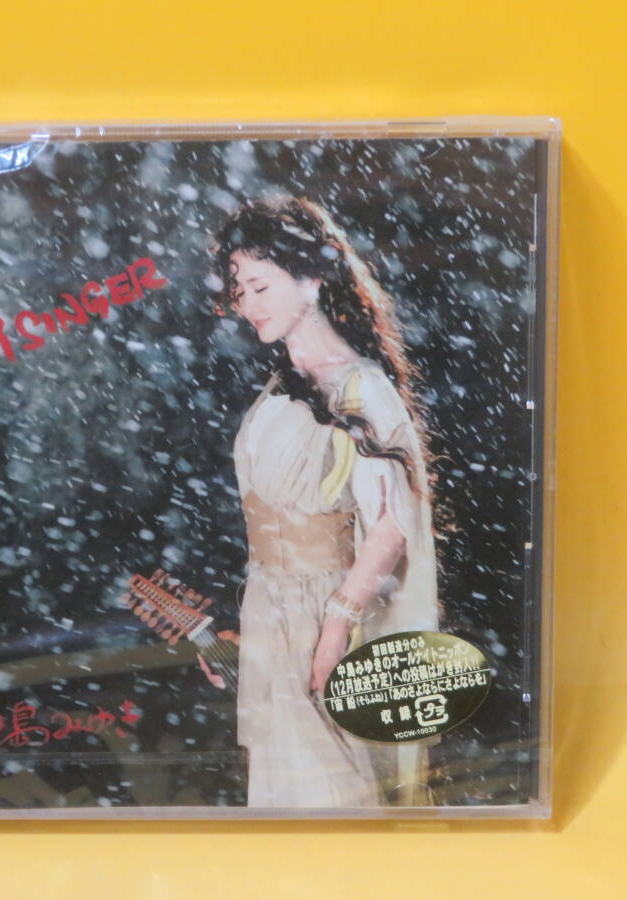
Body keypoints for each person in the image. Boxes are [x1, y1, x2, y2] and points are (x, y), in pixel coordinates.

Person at [202, 197, 440, 808]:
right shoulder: (281, 385)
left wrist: (335, 627)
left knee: (334, 796)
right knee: (283, 794)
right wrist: (247, 634)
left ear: (311, 280)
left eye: (260, 286)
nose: (247, 304)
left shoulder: (361, 386)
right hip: (272, 606)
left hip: (324, 608)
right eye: (239, 291)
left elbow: (391, 525)